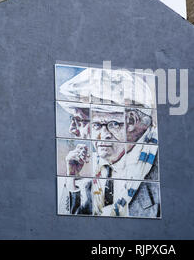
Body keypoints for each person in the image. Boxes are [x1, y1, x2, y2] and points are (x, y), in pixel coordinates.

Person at [56, 68, 160, 218]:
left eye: (110, 124)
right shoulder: (100, 169)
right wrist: (72, 177)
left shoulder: (156, 170)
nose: (101, 136)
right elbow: (74, 223)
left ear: (131, 121)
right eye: (95, 125)